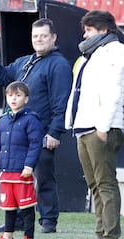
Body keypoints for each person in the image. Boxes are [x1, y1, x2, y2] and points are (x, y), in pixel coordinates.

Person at [0, 18, 72, 233]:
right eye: (35, 36)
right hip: (16, 134)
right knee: (16, 180)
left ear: (53, 37)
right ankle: (17, 222)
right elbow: (2, 77)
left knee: (43, 178)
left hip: (40, 133)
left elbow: (61, 101)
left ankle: (48, 220)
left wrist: (54, 131)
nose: (39, 40)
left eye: (43, 36)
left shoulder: (58, 64)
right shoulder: (25, 61)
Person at [65, 10, 124, 239]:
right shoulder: (91, 55)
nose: (84, 35)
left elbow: (113, 91)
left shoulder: (116, 51)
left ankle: (110, 234)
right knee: (94, 185)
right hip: (84, 126)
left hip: (101, 127)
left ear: (103, 30)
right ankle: (101, 232)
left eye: (89, 30)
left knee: (105, 183)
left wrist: (103, 126)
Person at [0, 81, 42, 239]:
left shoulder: (31, 119)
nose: (14, 99)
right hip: (6, 171)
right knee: (9, 206)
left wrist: (29, 165)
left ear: (26, 99)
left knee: (26, 206)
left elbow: (35, 144)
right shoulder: (3, 120)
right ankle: (8, 234)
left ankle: (28, 235)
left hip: (22, 172)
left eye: (18, 95)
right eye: (10, 95)